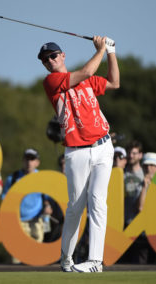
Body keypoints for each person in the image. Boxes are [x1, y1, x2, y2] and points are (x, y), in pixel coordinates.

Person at [38, 34, 119, 273]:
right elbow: (84, 73)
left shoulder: (87, 80)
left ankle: (95, 261)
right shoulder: (51, 82)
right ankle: (66, 258)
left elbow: (114, 83)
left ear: (63, 55)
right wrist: (101, 49)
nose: (49, 61)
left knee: (97, 202)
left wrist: (112, 52)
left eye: (53, 56)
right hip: (76, 152)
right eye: (45, 60)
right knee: (75, 207)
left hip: (103, 146)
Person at [2, 149, 52, 263]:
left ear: (37, 162)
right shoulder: (13, 178)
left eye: (32, 159)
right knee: (16, 260)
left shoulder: (42, 178)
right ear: (22, 161)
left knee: (35, 259)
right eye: (26, 159)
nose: (29, 162)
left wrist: (47, 207)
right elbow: (5, 200)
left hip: (36, 221)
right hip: (17, 223)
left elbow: (47, 198)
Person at [123, 141, 144, 228]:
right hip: (123, 223)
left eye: (134, 153)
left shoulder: (144, 174)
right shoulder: (121, 174)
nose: (131, 156)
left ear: (140, 155)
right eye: (129, 153)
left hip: (140, 224)